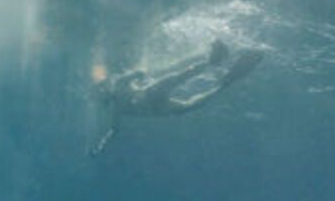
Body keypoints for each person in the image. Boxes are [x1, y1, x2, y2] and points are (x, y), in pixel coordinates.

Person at [90, 39, 265, 155]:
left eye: (101, 94)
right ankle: (223, 83)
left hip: (151, 97)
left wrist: (138, 75)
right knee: (188, 105)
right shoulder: (116, 109)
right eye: (101, 97)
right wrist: (100, 146)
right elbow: (113, 131)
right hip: (155, 108)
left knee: (179, 78)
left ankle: (213, 62)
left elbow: (138, 73)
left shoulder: (119, 87)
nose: (103, 97)